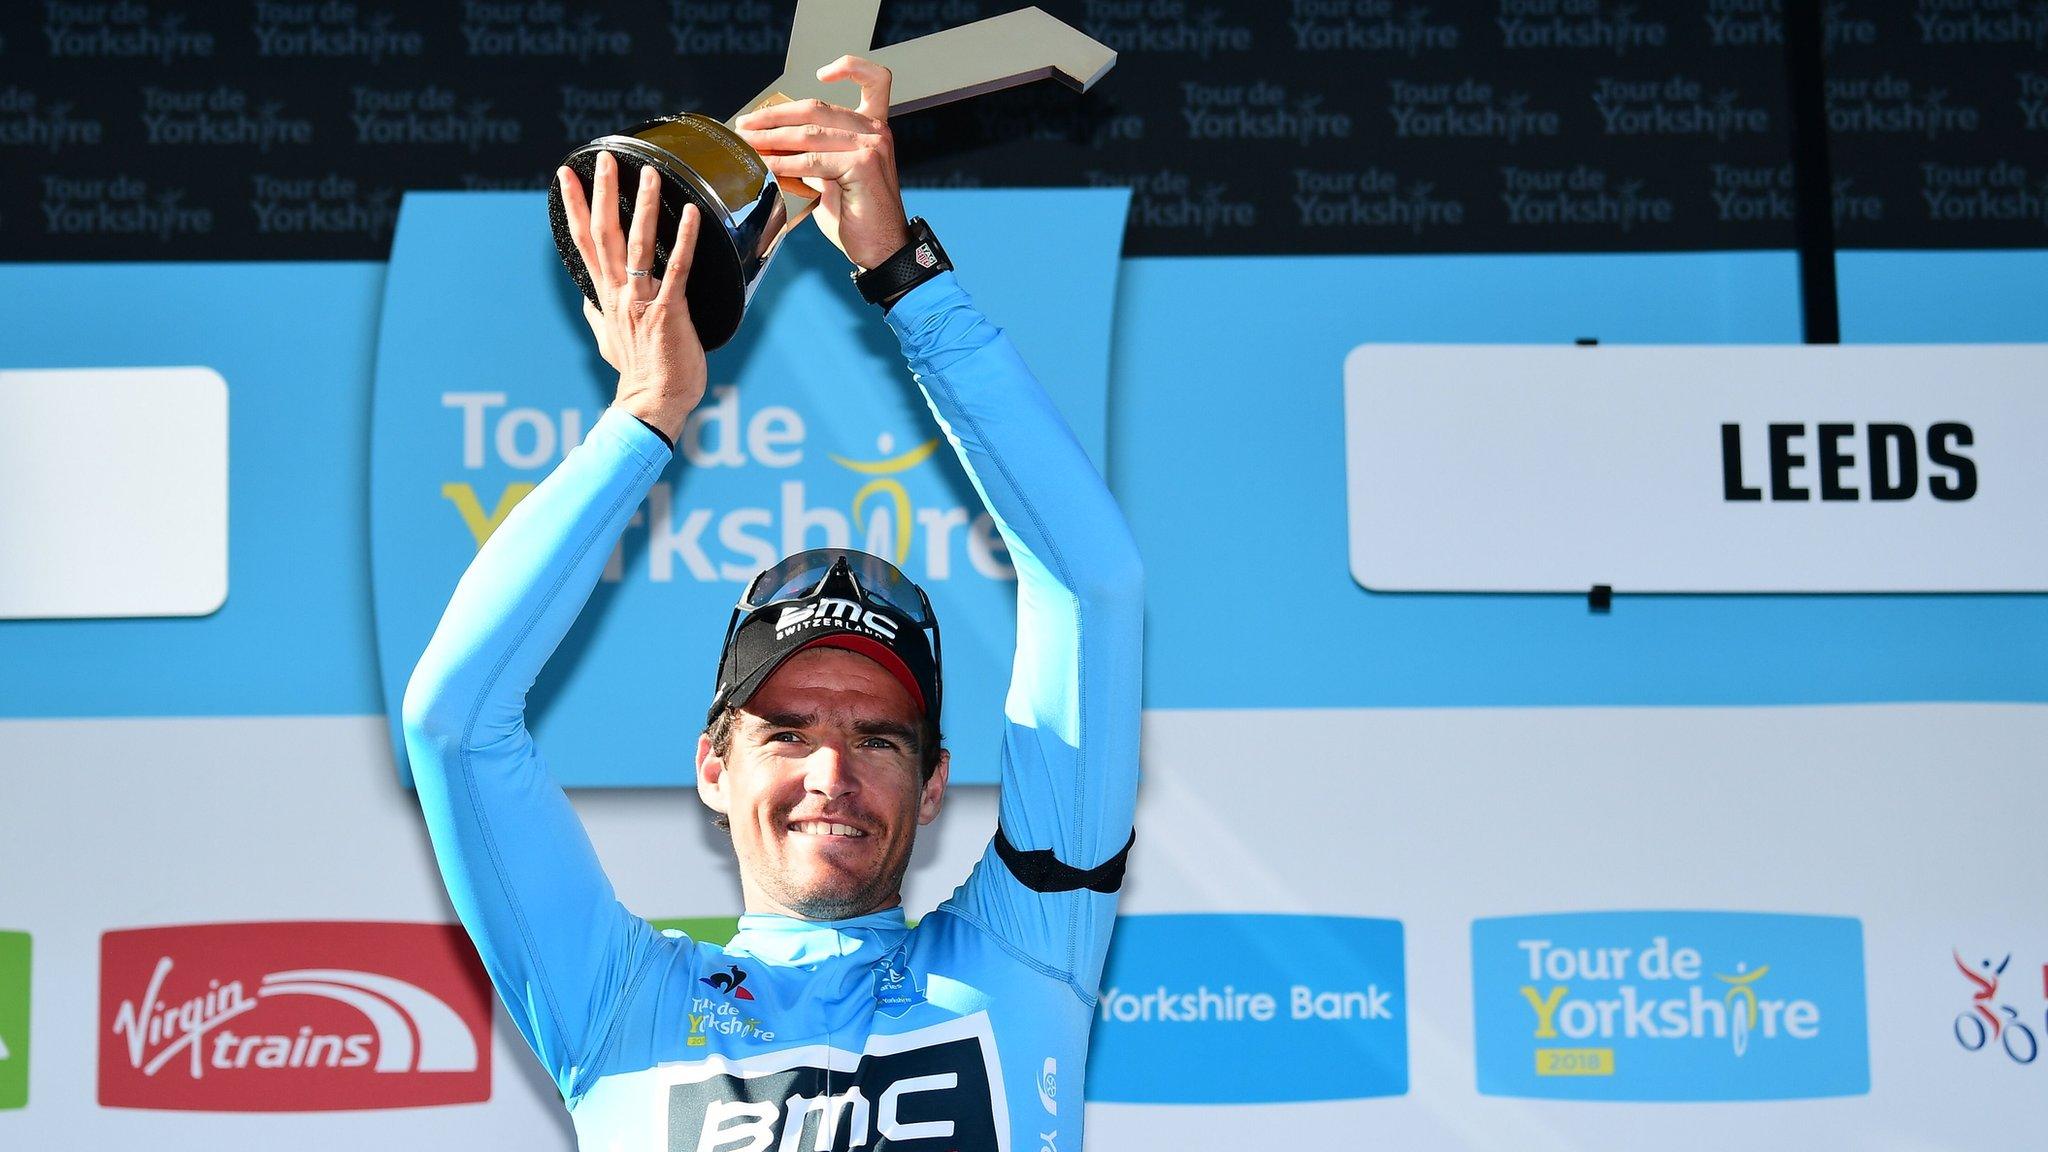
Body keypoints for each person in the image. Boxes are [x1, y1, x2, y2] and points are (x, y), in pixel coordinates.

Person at [403, 56, 1143, 1152]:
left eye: (877, 737)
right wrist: (647, 412)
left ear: (935, 783)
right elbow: (452, 724)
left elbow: (1091, 586)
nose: (829, 776)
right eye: (786, 732)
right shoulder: (616, 1003)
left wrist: (904, 275)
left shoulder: (1026, 946)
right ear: (712, 765)